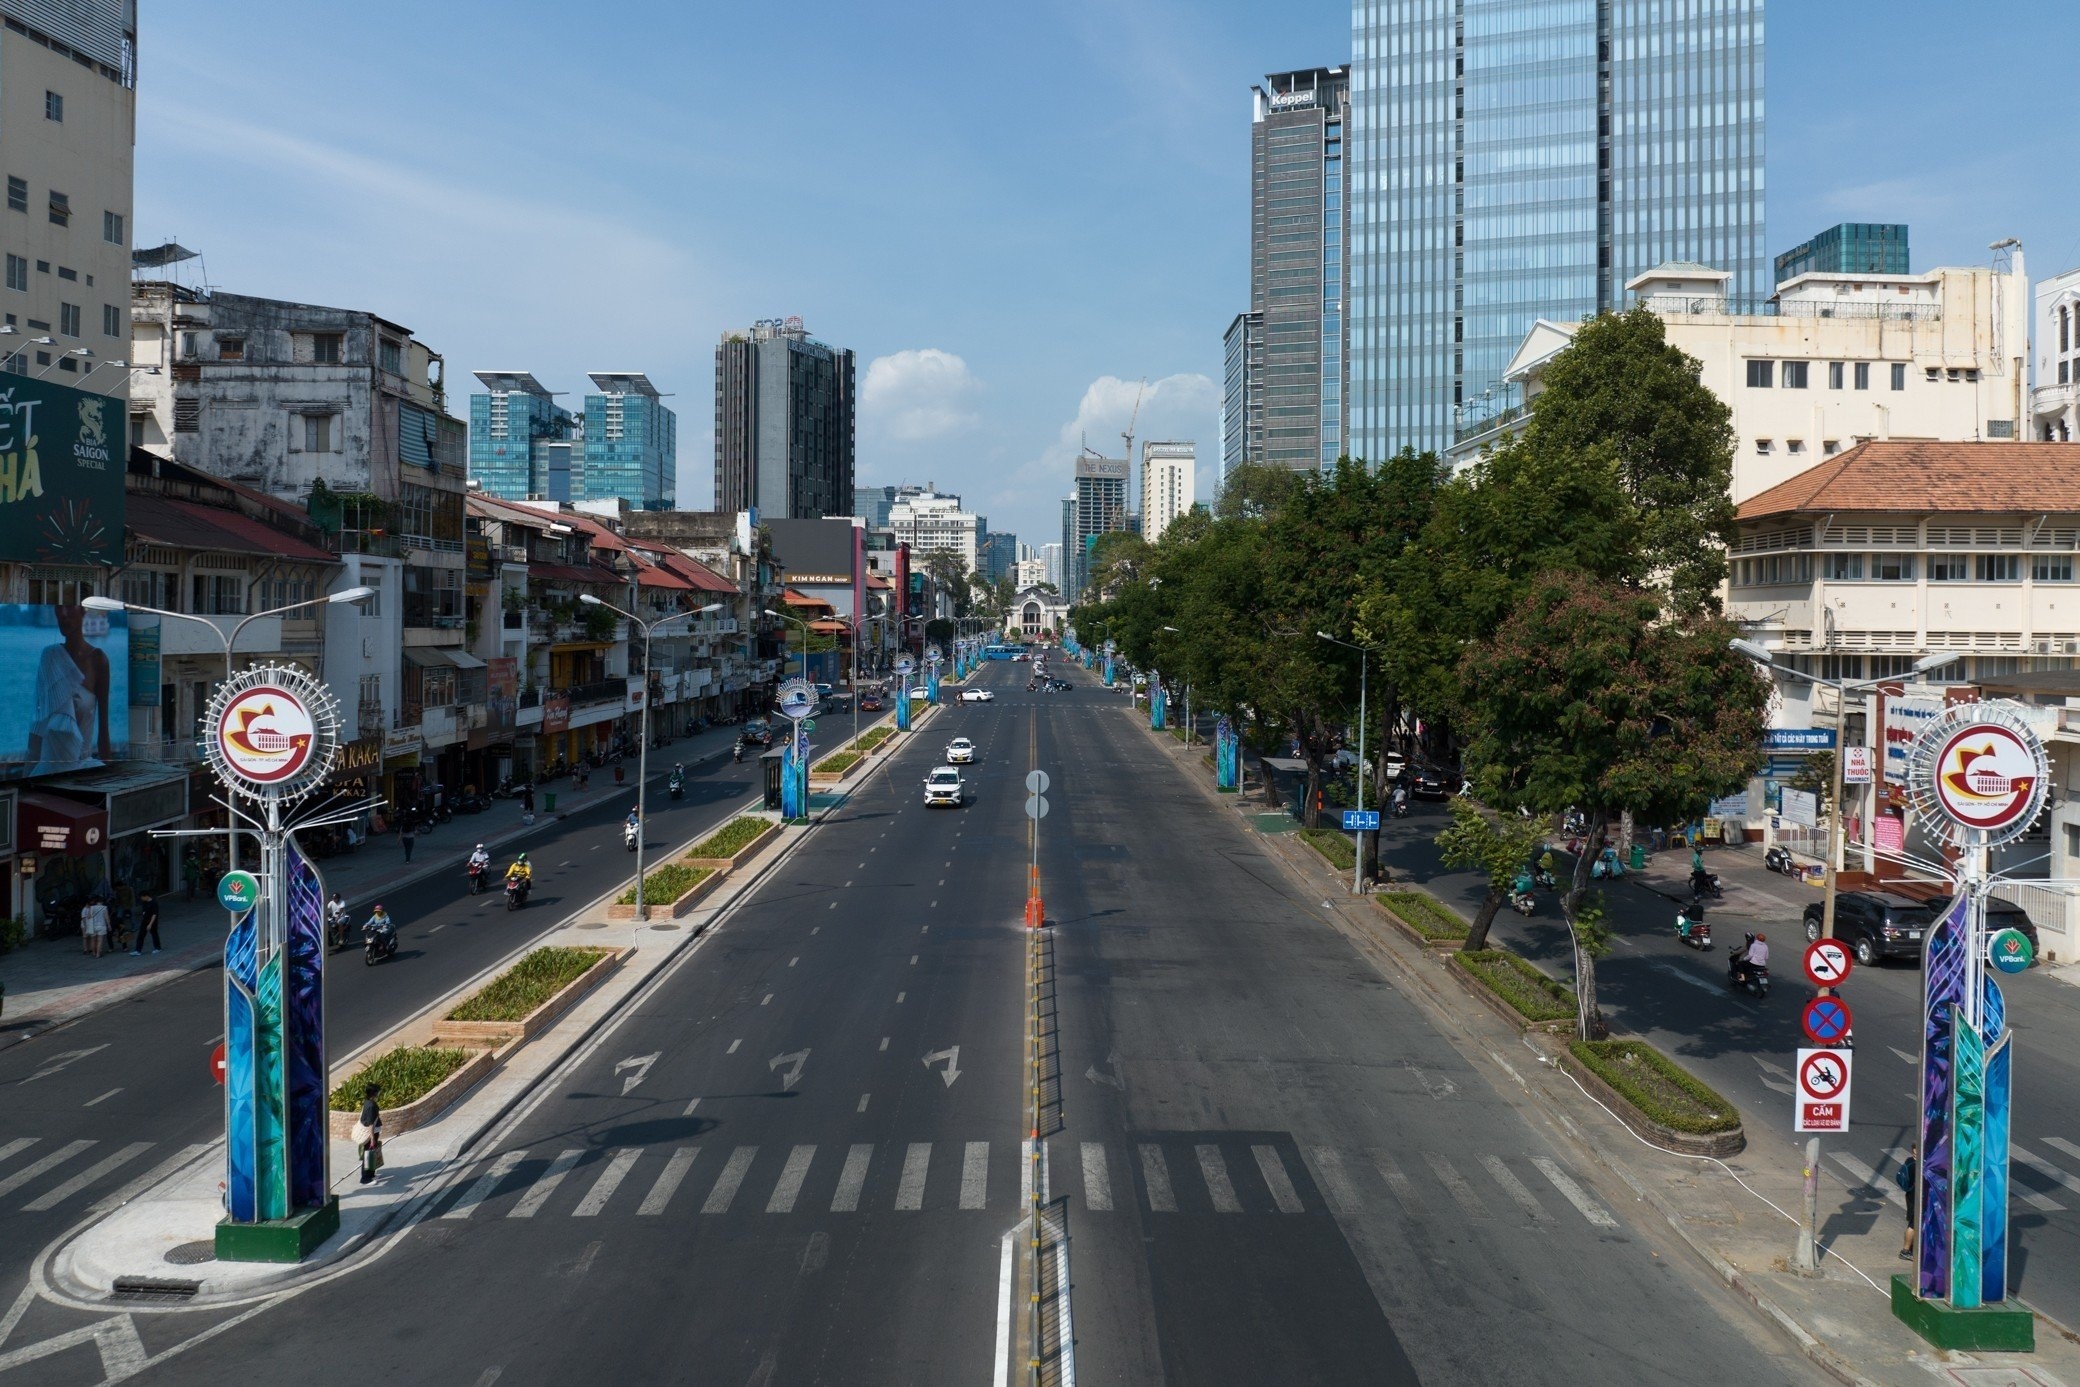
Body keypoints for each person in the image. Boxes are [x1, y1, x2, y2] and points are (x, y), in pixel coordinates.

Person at [26, 603, 112, 774]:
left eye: (70, 607)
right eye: (58, 607)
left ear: (83, 610)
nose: (63, 614)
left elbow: (104, 730)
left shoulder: (98, 660)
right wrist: (26, 778)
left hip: (82, 769)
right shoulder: (50, 656)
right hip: (46, 772)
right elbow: (38, 725)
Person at [353, 1084, 383, 1185]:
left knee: (371, 1154)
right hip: (371, 1134)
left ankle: (371, 1175)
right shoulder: (371, 1105)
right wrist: (372, 1139)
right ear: (373, 1093)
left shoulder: (368, 1102)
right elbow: (370, 1123)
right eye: (378, 1091)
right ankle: (365, 1179)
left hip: (373, 1133)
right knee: (368, 1155)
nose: (379, 1093)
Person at [1896, 1148, 1919, 1259]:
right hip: (1915, 1198)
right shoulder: (1916, 1165)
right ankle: (1905, 1251)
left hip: (1910, 1196)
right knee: (1913, 1225)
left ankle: (1911, 1248)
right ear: (1915, 1150)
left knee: (1914, 1223)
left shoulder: (1909, 1160)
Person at [131, 891, 161, 955]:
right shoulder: (144, 902)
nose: (141, 899)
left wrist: (150, 924)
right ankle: (138, 950)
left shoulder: (154, 903)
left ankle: (157, 948)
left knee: (154, 934)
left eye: (142, 897)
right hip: (144, 921)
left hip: (152, 921)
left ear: (146, 896)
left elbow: (154, 914)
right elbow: (144, 911)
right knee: (141, 935)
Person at [80, 894, 110, 958]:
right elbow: (106, 918)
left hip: (93, 926)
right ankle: (98, 954)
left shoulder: (92, 907)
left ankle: (93, 953)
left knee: (93, 940)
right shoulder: (104, 908)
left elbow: (88, 917)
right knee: (100, 940)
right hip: (101, 925)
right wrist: (109, 925)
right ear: (102, 901)